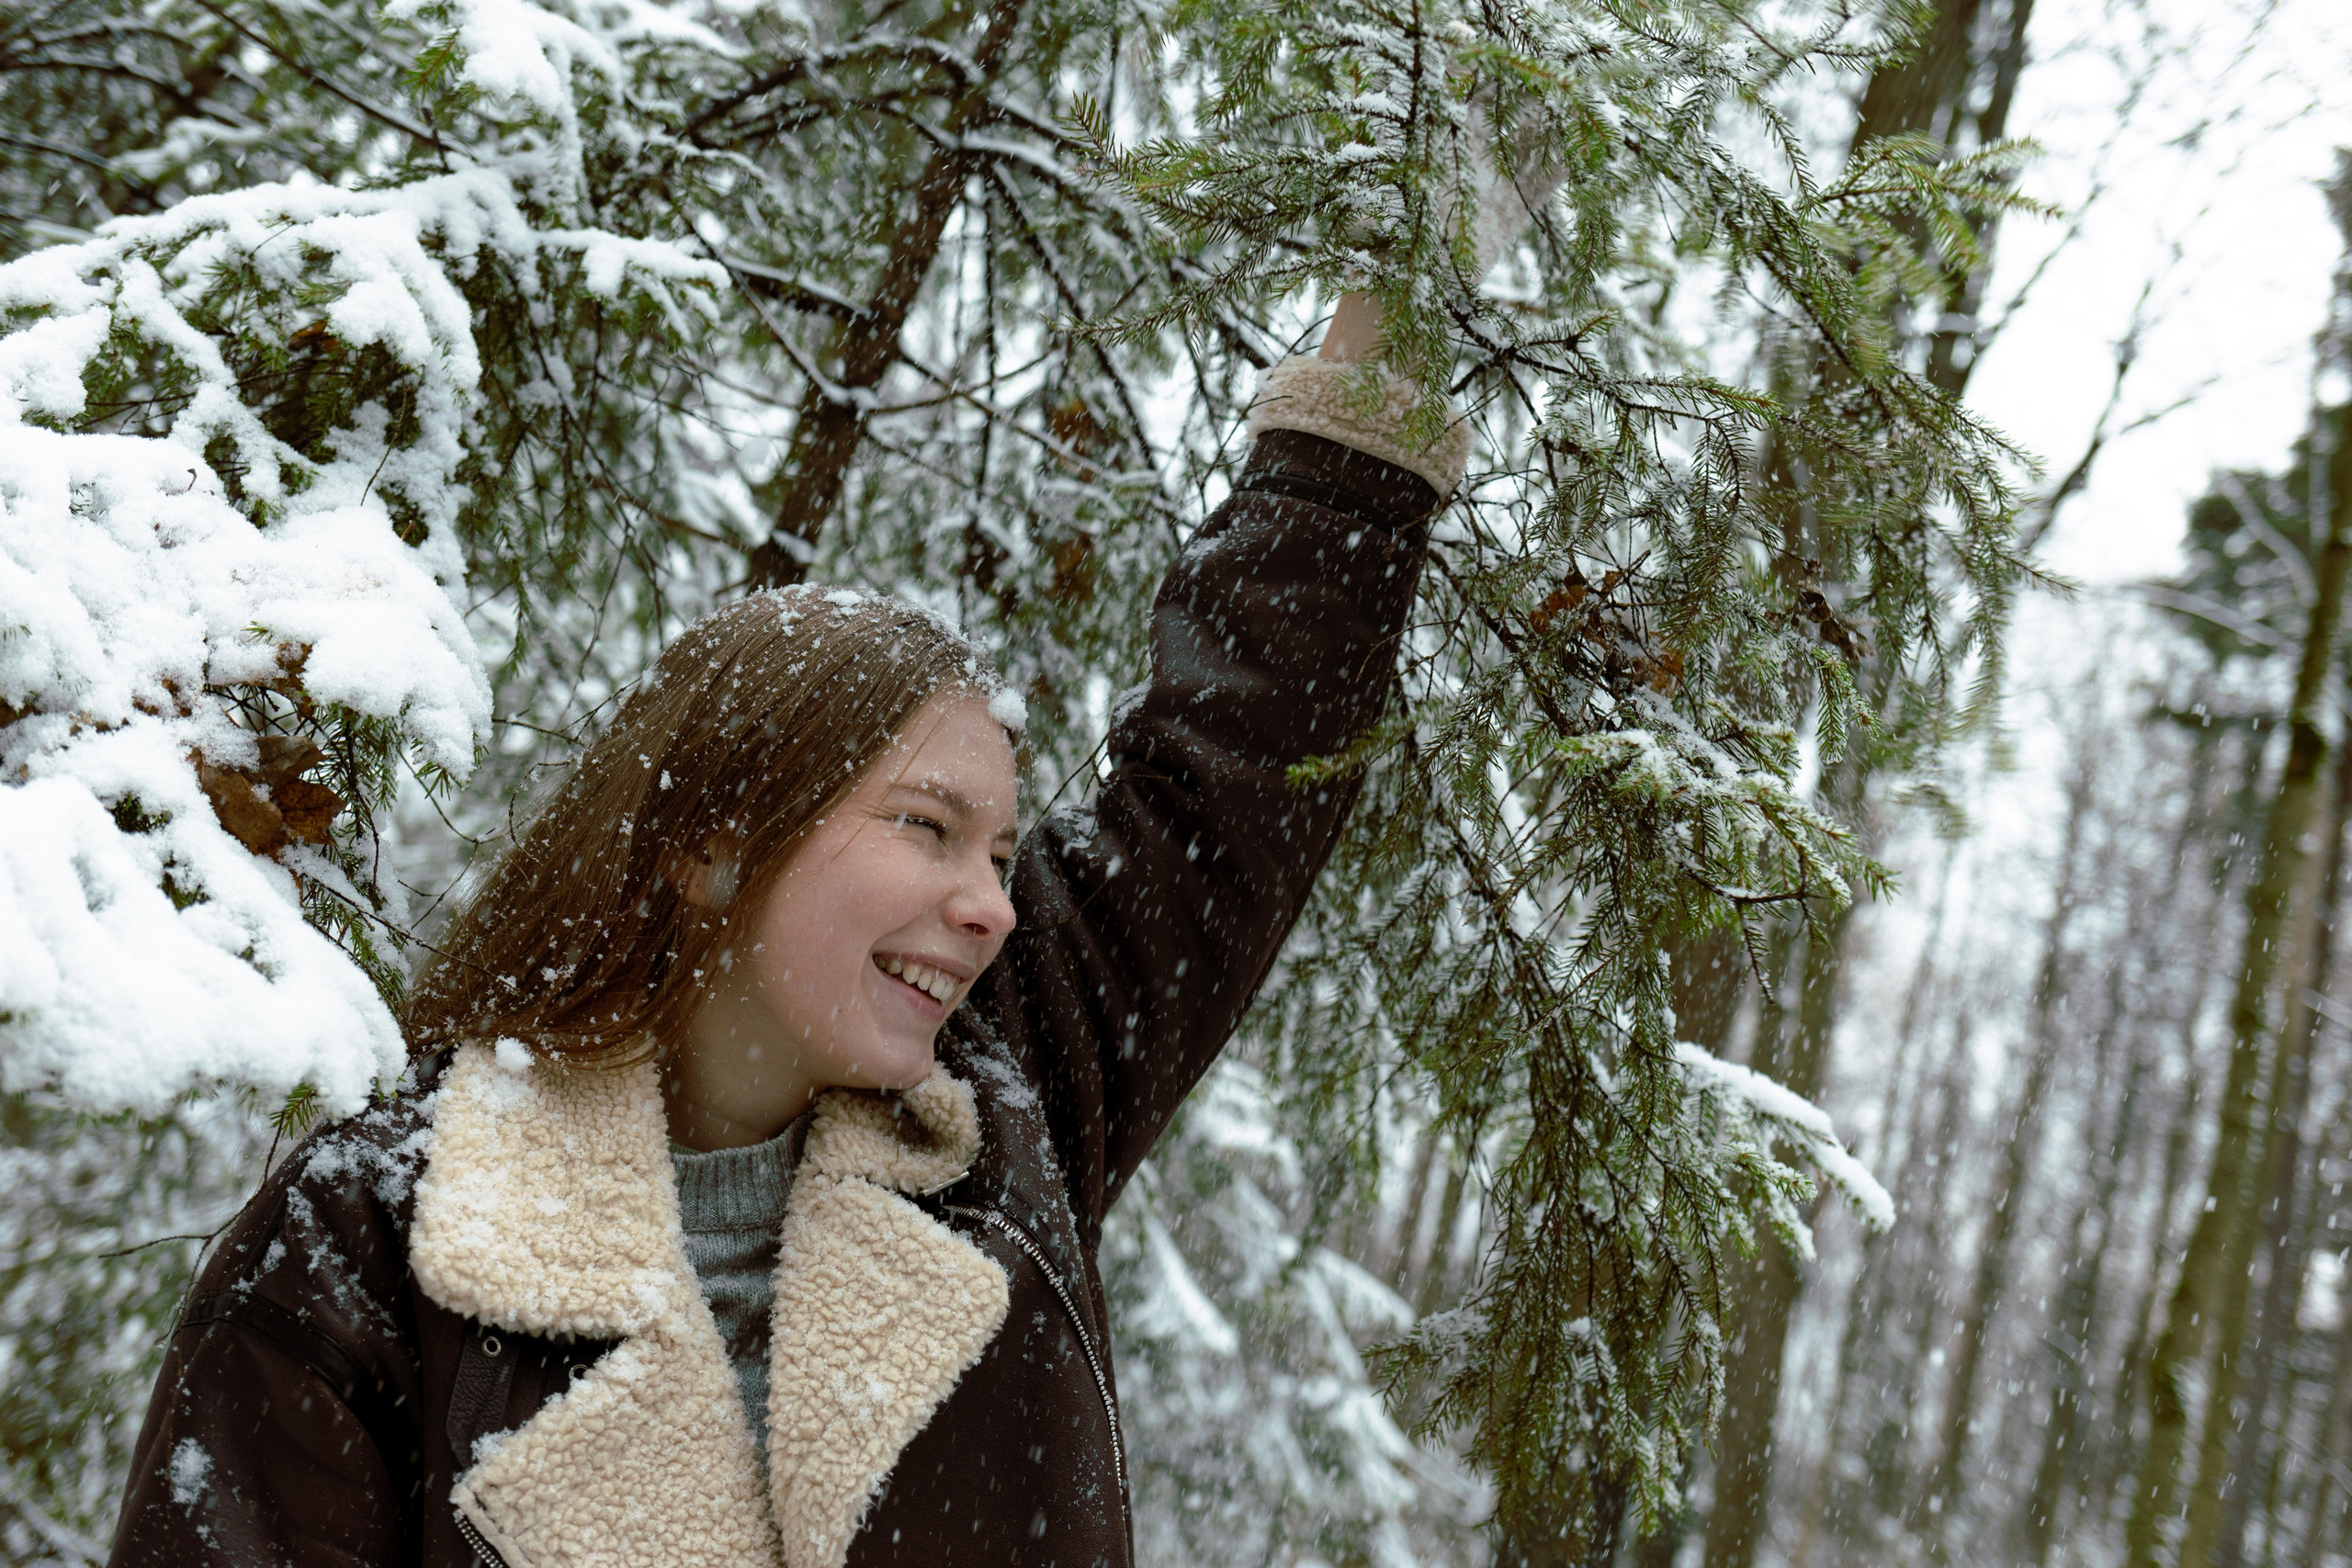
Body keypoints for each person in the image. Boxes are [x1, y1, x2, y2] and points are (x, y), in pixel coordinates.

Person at [107, 283, 1476, 1568]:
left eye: (1001, 850)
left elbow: (1225, 779)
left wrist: (1401, 296)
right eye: (925, 827)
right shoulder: (376, 1239)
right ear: (712, 850)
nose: (992, 904)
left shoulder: (998, 1127)